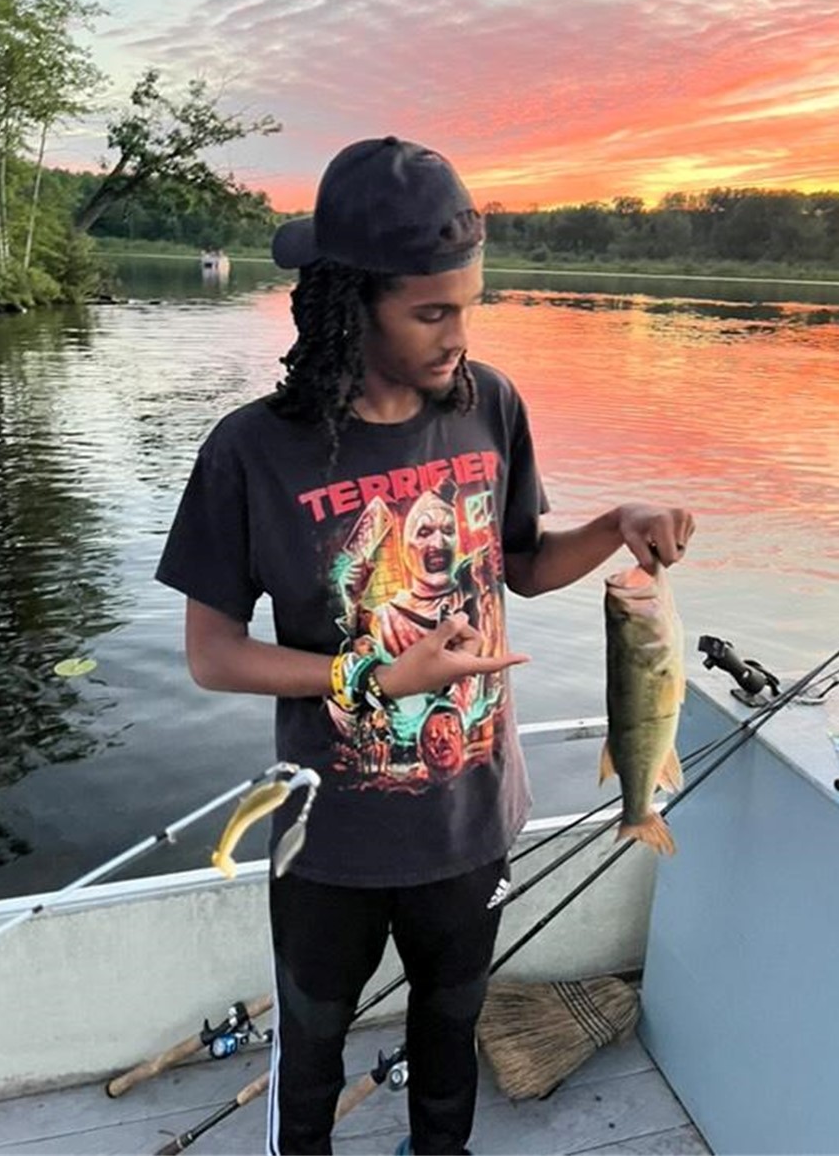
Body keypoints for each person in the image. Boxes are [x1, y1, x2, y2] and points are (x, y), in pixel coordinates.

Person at [156, 135, 694, 1156]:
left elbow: (524, 563)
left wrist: (615, 521)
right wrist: (369, 675)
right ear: (350, 302)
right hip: (331, 840)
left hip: (473, 819)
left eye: (470, 304)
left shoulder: (488, 404)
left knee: (450, 1043)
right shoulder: (251, 450)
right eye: (432, 311)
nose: (459, 335)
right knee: (309, 1060)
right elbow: (213, 652)